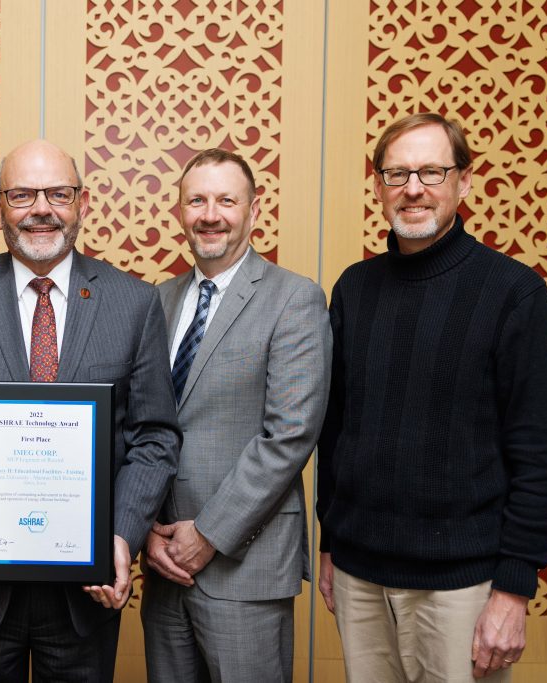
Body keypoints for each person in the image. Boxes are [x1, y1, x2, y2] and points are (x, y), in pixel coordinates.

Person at [0, 139, 181, 683]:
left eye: (58, 193)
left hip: (86, 592)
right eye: (23, 195)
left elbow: (154, 437)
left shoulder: (133, 303)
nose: (41, 209)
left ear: (82, 202)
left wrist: (120, 537)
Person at [317, 112, 547, 682]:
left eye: (432, 171)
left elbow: (541, 455)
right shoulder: (354, 289)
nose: (413, 188)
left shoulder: (514, 292)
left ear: (464, 181)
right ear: (379, 187)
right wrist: (331, 542)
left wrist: (513, 588)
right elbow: (337, 433)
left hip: (462, 587)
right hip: (359, 578)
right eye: (397, 173)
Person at [140, 148, 332, 683]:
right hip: (163, 564)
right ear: (179, 212)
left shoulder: (294, 299)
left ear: (253, 210)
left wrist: (209, 533)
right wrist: (145, 533)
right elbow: (141, 426)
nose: (210, 214)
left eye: (227, 200)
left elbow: (289, 435)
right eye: (196, 200)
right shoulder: (159, 301)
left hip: (244, 564)